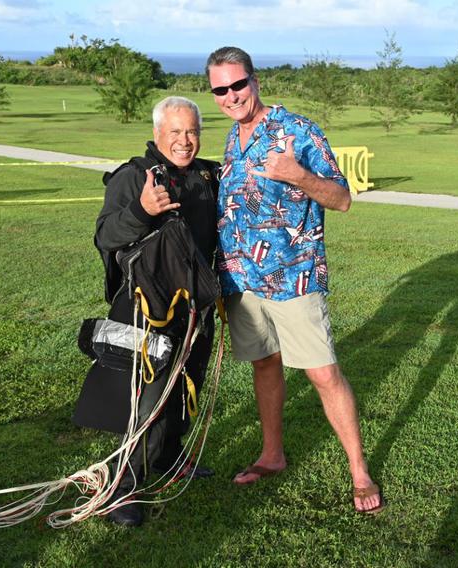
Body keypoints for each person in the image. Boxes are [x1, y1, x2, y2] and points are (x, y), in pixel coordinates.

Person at [206, 46, 384, 514]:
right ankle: (273, 455)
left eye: (237, 84)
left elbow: (342, 199)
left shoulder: (297, 131)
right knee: (264, 364)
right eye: (220, 89)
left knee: (323, 373)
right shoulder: (232, 137)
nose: (230, 95)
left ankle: (360, 472)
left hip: (293, 278)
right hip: (240, 281)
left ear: (255, 80)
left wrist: (298, 174)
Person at [72, 96, 219, 527]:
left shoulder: (207, 176)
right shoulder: (134, 177)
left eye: (191, 131)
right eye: (175, 132)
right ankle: (122, 488)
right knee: (147, 398)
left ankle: (169, 458)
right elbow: (105, 235)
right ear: (157, 134)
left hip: (196, 307)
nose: (184, 140)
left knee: (186, 385)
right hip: (147, 309)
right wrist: (142, 210)